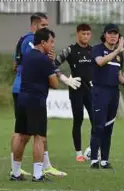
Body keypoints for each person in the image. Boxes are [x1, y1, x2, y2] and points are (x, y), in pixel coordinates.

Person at [10, 12, 67, 177]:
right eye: (51, 42)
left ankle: (15, 172)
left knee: (21, 135)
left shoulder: (26, 57)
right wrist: (50, 64)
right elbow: (54, 84)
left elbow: (16, 67)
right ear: (43, 43)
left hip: (22, 98)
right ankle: (37, 174)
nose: (53, 45)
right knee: (39, 137)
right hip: (37, 100)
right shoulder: (44, 60)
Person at [89, 23, 124, 169]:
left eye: (116, 34)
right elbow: (100, 62)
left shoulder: (119, 54)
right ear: (104, 35)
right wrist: (116, 51)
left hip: (114, 92)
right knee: (99, 126)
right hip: (100, 91)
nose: (113, 36)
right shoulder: (97, 49)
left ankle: (104, 160)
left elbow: (118, 73)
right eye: (110, 33)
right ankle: (94, 160)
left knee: (109, 127)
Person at [54, 23, 94, 162]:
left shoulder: (93, 51)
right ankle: (79, 154)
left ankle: (92, 150)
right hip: (76, 90)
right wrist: (64, 78)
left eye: (88, 34)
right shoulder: (70, 50)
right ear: (78, 34)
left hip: (91, 91)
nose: (85, 36)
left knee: (96, 121)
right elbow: (53, 64)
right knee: (78, 120)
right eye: (83, 34)